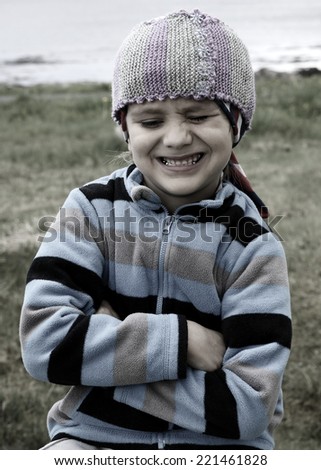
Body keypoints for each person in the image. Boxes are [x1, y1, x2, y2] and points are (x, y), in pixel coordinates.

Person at [20, 9, 292, 450]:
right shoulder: (89, 211)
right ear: (125, 128)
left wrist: (108, 358)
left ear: (236, 123)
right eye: (150, 121)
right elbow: (44, 346)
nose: (177, 137)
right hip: (90, 442)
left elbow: (245, 409)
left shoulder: (252, 243)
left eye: (198, 115)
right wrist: (181, 342)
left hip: (217, 451)